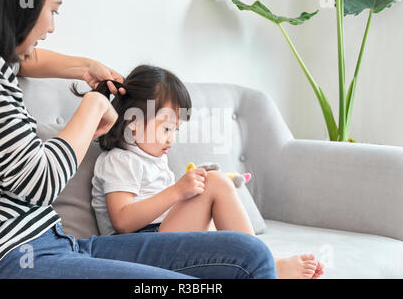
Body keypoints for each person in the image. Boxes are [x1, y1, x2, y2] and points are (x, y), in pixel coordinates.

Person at [0, 0, 276, 279]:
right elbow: (38, 182)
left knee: (250, 254)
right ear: (16, 2)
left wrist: (86, 67)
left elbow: (24, 58)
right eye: (52, 10)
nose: (51, 27)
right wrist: (93, 106)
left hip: (53, 241)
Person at [89, 65, 325, 279]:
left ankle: (254, 261)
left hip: (158, 239)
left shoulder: (153, 158)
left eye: (176, 129)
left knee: (211, 185)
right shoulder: (119, 160)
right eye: (167, 128)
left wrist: (188, 193)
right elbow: (122, 221)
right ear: (133, 121)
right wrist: (176, 192)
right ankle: (267, 264)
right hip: (135, 249)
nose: (172, 138)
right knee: (214, 182)